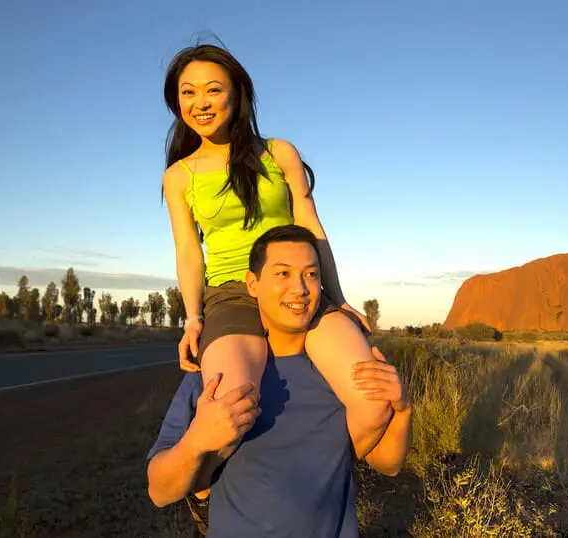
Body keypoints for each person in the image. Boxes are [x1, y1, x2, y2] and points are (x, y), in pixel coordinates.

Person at [159, 41, 392, 463]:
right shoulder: (178, 176)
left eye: (213, 89)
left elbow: (312, 231)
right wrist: (193, 319)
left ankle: (316, 478)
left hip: (297, 287)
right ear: (177, 103)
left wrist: (335, 298)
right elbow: (189, 252)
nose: (201, 102)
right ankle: (204, 495)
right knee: (230, 419)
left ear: (237, 92)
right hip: (232, 293)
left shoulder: (279, 153)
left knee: (374, 403)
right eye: (187, 93)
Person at [147, 224, 413, 537]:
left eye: (312, 274)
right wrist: (195, 441)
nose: (300, 288)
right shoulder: (216, 374)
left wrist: (403, 409)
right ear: (252, 283)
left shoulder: (341, 375)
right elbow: (160, 491)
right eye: (283, 274)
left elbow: (389, 464)